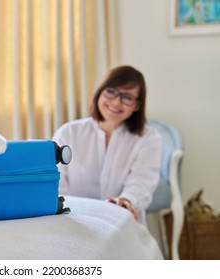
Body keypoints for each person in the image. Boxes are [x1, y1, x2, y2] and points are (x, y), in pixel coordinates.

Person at [52, 65, 161, 223]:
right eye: (110, 92)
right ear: (99, 92)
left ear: (137, 105)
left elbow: (142, 182)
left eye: (127, 97)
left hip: (122, 221)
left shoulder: (149, 138)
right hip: (73, 221)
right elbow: (56, 182)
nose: (116, 102)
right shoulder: (68, 132)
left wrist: (127, 201)